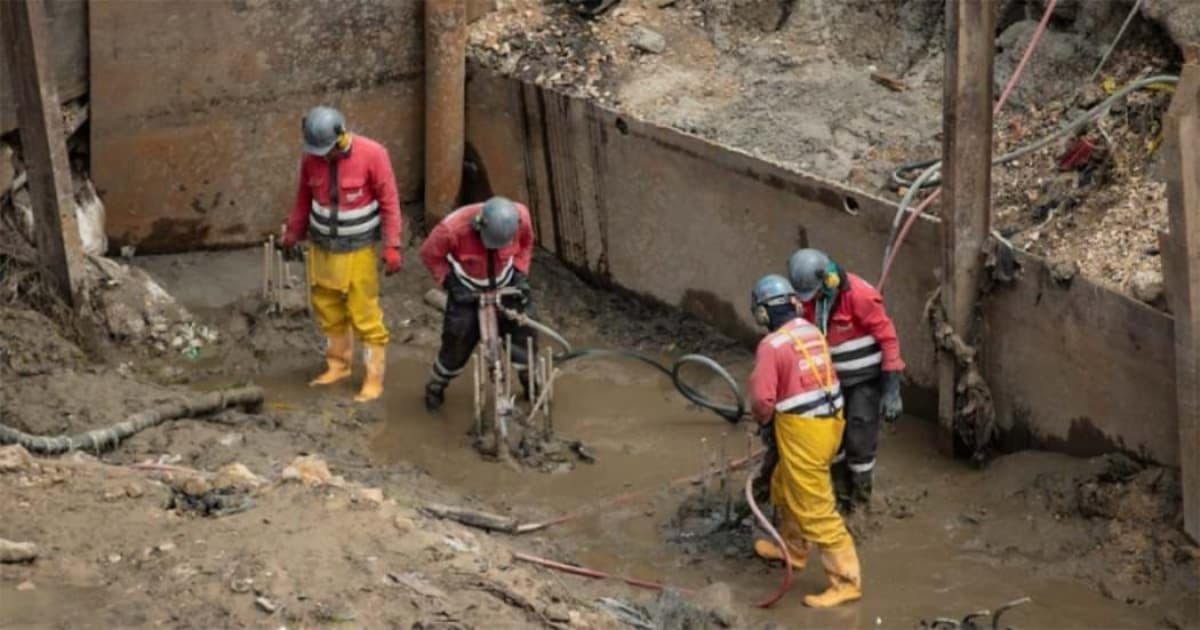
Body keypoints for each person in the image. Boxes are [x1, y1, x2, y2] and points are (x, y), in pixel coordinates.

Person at [747, 274, 862, 608]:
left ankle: (846, 581)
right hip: (830, 424)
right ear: (794, 304)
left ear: (762, 314)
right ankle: (794, 550)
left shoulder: (771, 346)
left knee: (815, 506)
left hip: (803, 429)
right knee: (785, 483)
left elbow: (762, 400)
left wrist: (763, 421)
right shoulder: (811, 331)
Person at [280, 105, 403, 403]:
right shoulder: (312, 159)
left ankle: (373, 379)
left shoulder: (373, 154)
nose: (323, 156)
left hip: (358, 248)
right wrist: (293, 232)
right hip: (322, 246)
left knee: (364, 312)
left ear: (340, 137)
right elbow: (303, 198)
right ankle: (338, 366)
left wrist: (392, 245)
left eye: (326, 150)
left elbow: (390, 202)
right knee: (327, 304)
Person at [787, 248, 905, 512]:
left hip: (864, 379)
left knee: (860, 433)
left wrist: (892, 389)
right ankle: (841, 495)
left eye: (815, 294)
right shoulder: (808, 303)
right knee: (832, 435)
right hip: (829, 381)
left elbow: (888, 338)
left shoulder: (859, 295)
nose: (812, 300)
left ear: (828, 281)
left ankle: (862, 500)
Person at [419, 196, 536, 412]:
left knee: (524, 336)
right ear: (479, 225)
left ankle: (532, 385)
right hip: (467, 289)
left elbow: (527, 244)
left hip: (507, 284)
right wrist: (450, 282)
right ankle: (436, 387)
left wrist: (520, 272)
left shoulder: (521, 218)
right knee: (457, 339)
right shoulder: (452, 229)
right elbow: (430, 255)